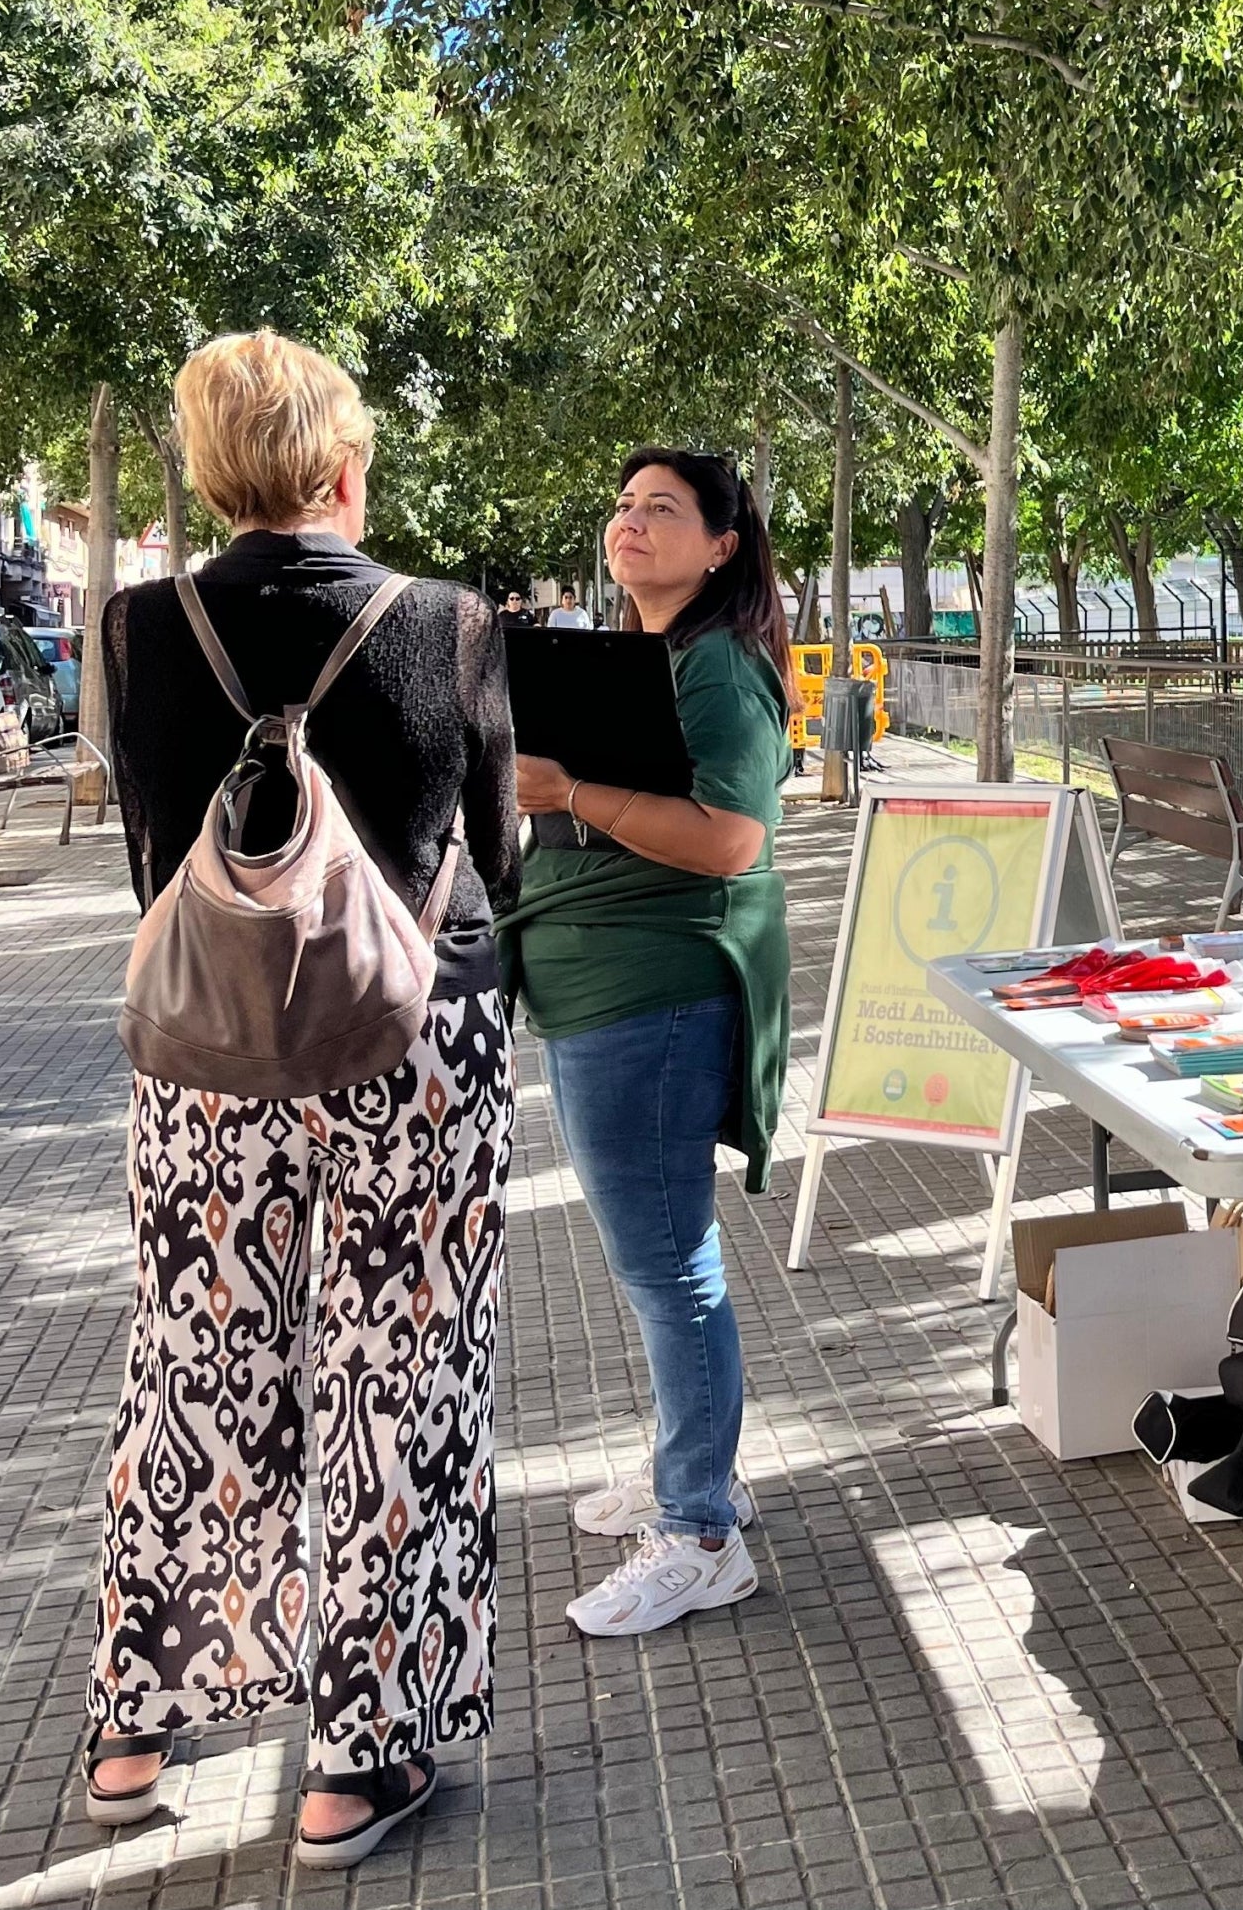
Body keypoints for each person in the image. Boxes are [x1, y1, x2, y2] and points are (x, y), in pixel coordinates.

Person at [87, 331, 520, 1865]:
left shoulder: (139, 628)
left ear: (212, 472)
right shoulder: (446, 621)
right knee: (398, 1383)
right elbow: (496, 846)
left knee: (197, 1365)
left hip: (204, 1057)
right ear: (346, 466)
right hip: (414, 1045)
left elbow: (155, 850)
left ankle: (139, 1725)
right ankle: (355, 1758)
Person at [499, 448, 792, 1635]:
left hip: (653, 998)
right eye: (621, 504)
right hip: (600, 989)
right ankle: (693, 1468)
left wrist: (567, 794)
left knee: (669, 1263)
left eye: (661, 510)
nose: (631, 522)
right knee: (653, 1260)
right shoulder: (647, 654)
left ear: (721, 545)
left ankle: (700, 1532)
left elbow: (733, 840)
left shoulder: (716, 665)